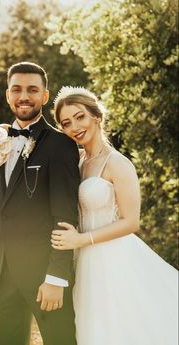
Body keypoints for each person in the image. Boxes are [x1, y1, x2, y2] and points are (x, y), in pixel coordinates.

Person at [51, 86, 178, 345]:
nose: (75, 126)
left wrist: (82, 240)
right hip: (85, 263)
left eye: (80, 117)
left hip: (115, 259)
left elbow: (132, 222)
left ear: (96, 116)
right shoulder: (76, 162)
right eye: (66, 123)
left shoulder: (118, 163)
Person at [0, 63, 80, 345]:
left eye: (32, 90)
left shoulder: (61, 144)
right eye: (17, 89)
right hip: (2, 275)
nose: (24, 96)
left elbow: (65, 217)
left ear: (44, 96)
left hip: (45, 276)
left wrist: (56, 276)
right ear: (7, 95)